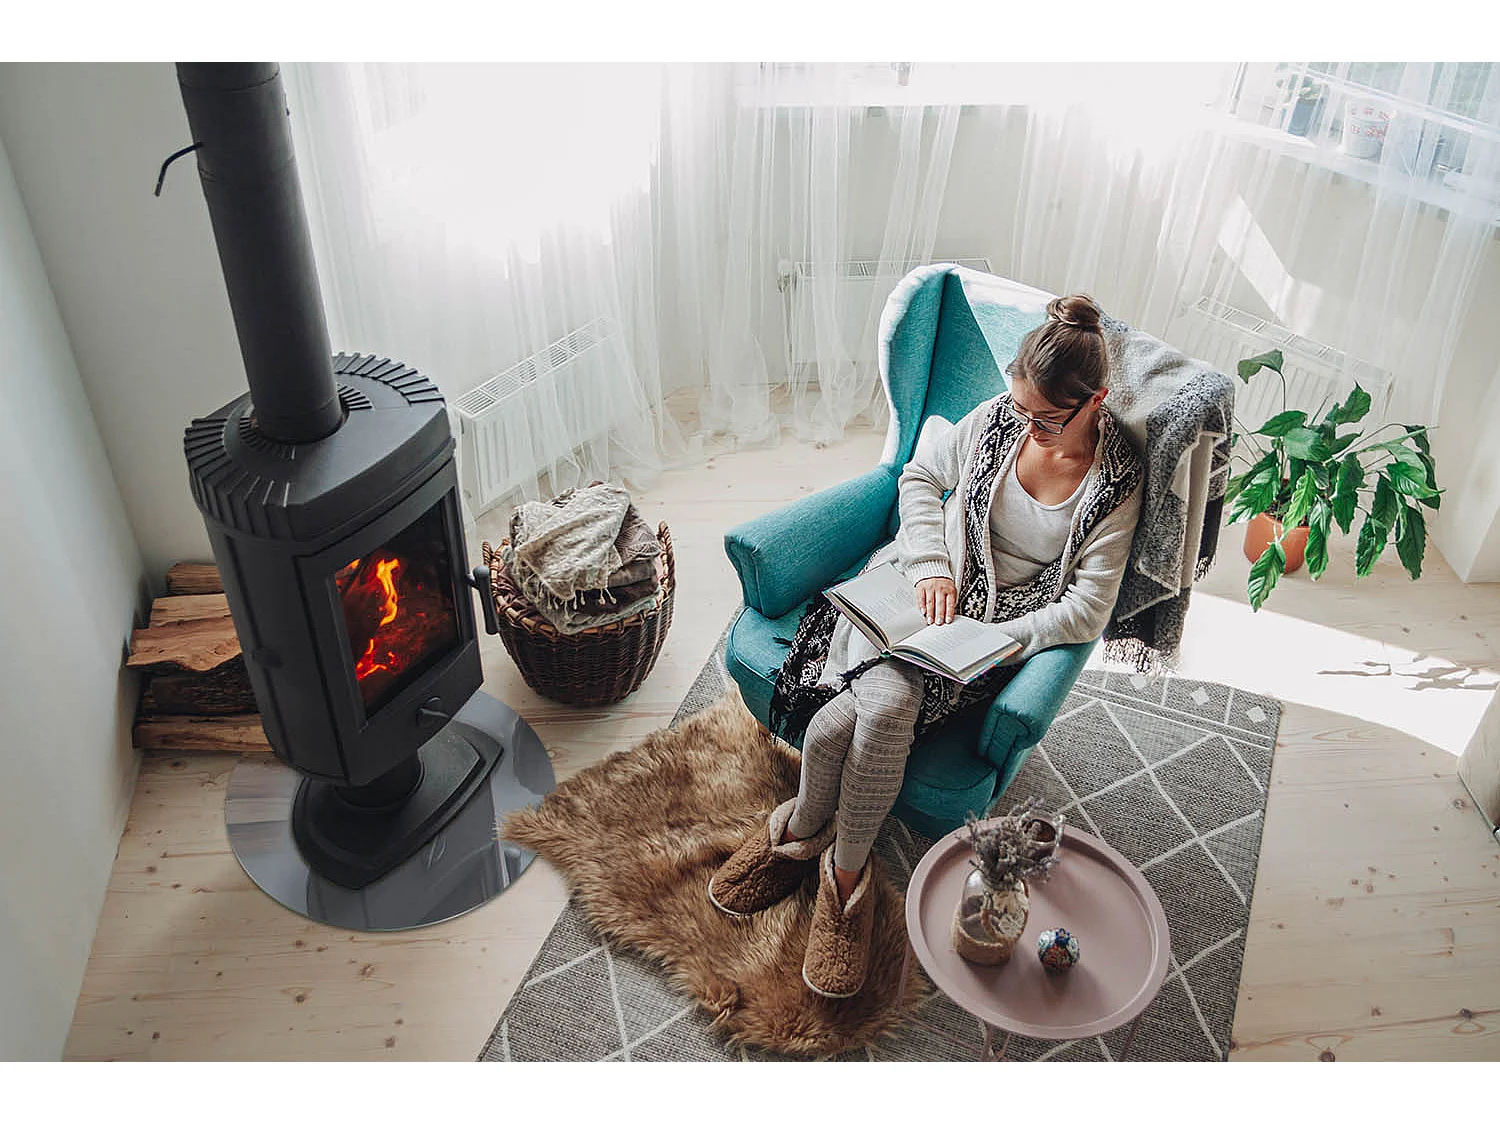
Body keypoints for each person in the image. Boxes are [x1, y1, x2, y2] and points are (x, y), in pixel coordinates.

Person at [709, 293, 1145, 999]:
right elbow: (919, 476)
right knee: (879, 711)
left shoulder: (1116, 482)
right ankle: (836, 872)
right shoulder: (1004, 416)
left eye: (1045, 419)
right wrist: (931, 566)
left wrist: (1002, 641)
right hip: (917, 583)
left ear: (1094, 400)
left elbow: (1087, 607)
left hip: (991, 634)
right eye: (1019, 407)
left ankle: (813, 851)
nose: (1026, 428)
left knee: (856, 720)